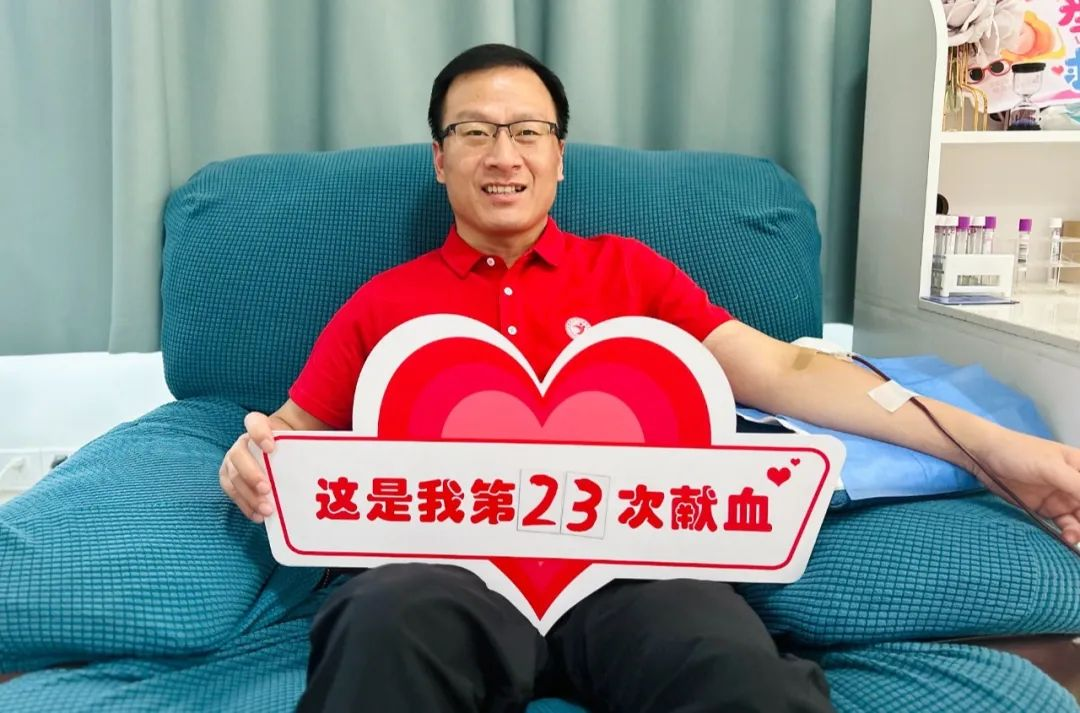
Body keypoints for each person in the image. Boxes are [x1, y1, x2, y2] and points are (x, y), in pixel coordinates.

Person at [218, 43, 1080, 713]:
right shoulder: (385, 303)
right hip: (444, 579)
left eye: (526, 131)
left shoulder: (630, 275)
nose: (501, 153)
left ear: (559, 156)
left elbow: (785, 368)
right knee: (382, 619)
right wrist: (251, 459)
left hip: (634, 574)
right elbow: (289, 435)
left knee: (729, 662)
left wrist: (999, 450)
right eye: (473, 132)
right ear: (440, 159)